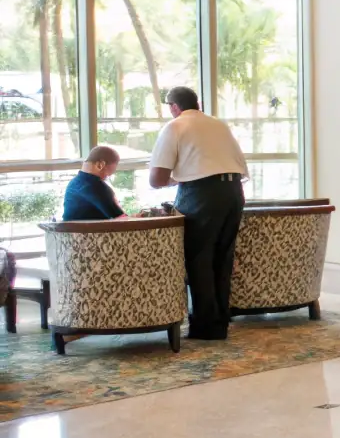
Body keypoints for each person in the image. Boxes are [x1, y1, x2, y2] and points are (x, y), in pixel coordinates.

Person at [148, 86, 249, 341]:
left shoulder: (175, 126)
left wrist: (176, 179)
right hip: (233, 192)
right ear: (198, 104)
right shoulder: (219, 125)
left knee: (199, 259)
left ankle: (205, 326)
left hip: (201, 194)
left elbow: (156, 179)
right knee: (222, 258)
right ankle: (220, 322)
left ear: (174, 107)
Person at [62, 146, 125, 221]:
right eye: (108, 174)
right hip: (88, 229)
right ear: (100, 165)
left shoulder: (74, 183)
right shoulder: (95, 186)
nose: (106, 178)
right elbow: (121, 219)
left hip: (71, 228)